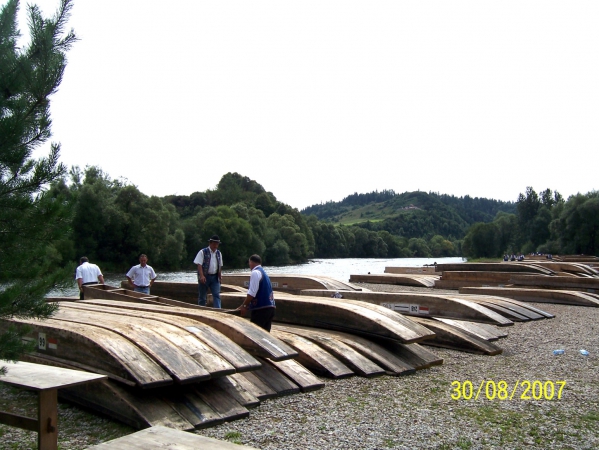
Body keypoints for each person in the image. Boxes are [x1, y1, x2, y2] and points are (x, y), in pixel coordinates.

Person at [237, 254, 276, 332]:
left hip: (261, 309)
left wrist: (244, 305)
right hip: (270, 307)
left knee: (255, 334)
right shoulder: (264, 273)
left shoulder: (255, 272)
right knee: (265, 336)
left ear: (251, 262)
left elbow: (252, 292)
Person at [193, 235, 223, 308]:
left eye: (217, 244)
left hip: (215, 277)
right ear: (210, 243)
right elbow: (199, 264)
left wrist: (219, 275)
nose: (216, 245)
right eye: (214, 243)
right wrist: (202, 276)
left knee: (216, 295)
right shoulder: (202, 252)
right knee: (202, 297)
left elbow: (220, 265)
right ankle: (201, 310)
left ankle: (218, 311)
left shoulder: (219, 253)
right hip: (205, 277)